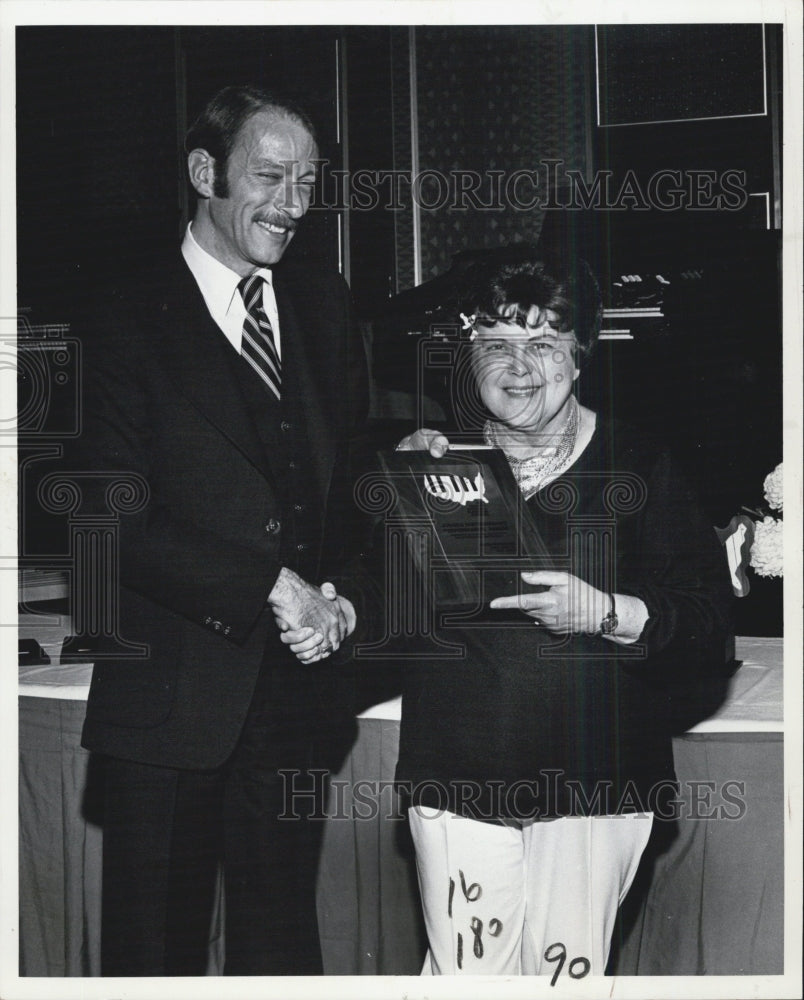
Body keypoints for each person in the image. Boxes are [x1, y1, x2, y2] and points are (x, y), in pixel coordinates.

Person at [72, 85, 368, 975]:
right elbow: (104, 512)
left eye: (308, 181)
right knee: (152, 955)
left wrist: (346, 595)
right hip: (168, 706)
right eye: (271, 176)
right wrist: (267, 586)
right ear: (205, 173)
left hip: (294, 706)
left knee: (282, 952)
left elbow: (349, 481)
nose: (292, 204)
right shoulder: (117, 317)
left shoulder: (321, 303)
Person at [391, 248, 734, 976]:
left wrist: (604, 611)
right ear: (468, 354)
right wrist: (400, 500)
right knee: (467, 983)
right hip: (458, 775)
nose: (520, 366)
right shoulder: (434, 461)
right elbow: (374, 606)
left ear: (579, 358)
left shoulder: (638, 464)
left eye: (543, 343)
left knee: (562, 982)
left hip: (597, 781)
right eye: (497, 343)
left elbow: (706, 626)